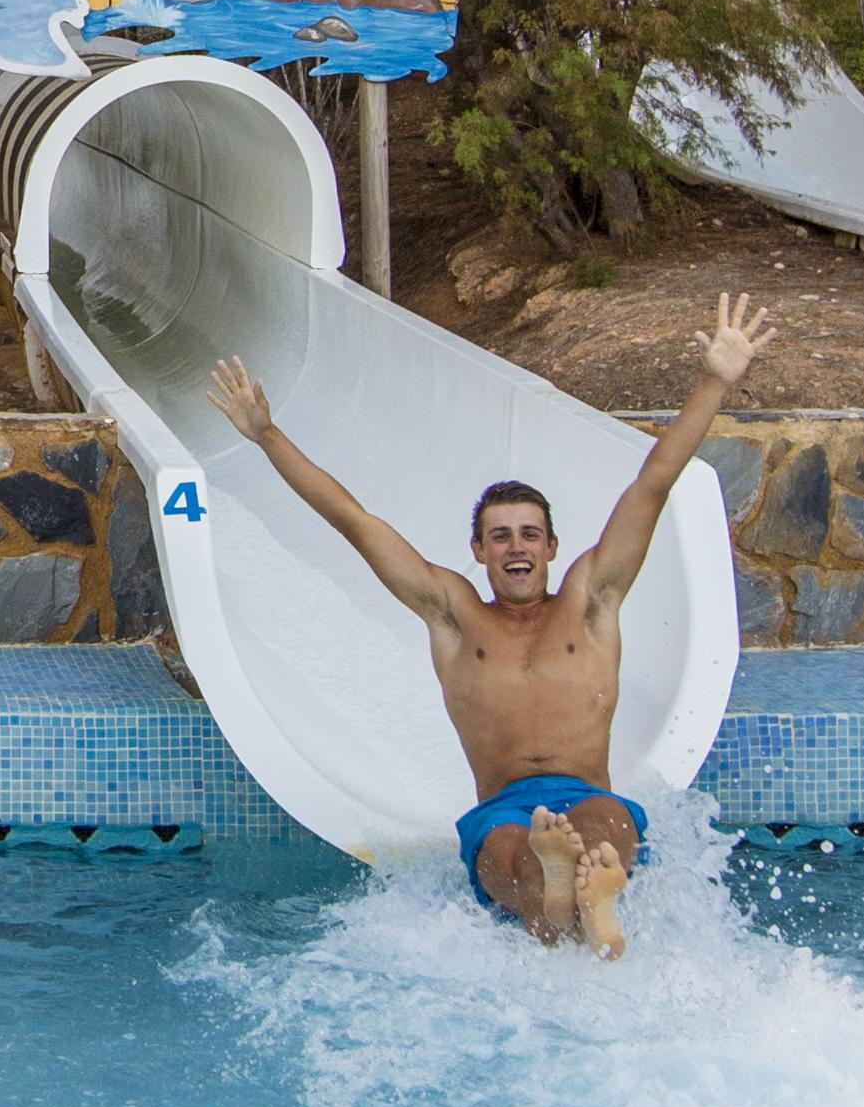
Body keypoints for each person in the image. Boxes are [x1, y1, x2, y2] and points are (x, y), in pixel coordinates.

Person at [207, 296, 776, 954]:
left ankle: (580, 894)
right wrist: (267, 435)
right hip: (503, 809)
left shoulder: (593, 601)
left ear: (552, 548)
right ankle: (570, 896)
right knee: (511, 858)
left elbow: (654, 483)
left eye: (529, 535)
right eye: (500, 537)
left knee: (604, 827)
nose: (516, 548)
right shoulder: (453, 615)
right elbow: (354, 521)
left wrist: (715, 381)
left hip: (587, 791)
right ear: (478, 551)